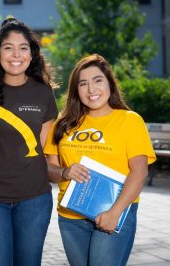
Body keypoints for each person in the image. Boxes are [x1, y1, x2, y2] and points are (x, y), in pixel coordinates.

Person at [44, 54, 156, 266]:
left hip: (113, 211)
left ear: (110, 83)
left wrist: (115, 212)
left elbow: (139, 172)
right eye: (83, 84)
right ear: (76, 90)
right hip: (71, 217)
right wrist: (65, 172)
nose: (91, 90)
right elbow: (50, 168)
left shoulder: (129, 121)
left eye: (97, 80)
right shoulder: (64, 122)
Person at [0, 18, 58, 266]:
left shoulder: (43, 92)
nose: (16, 54)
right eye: (8, 47)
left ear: (32, 54)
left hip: (34, 199)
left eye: (23, 47)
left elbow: (46, 150)